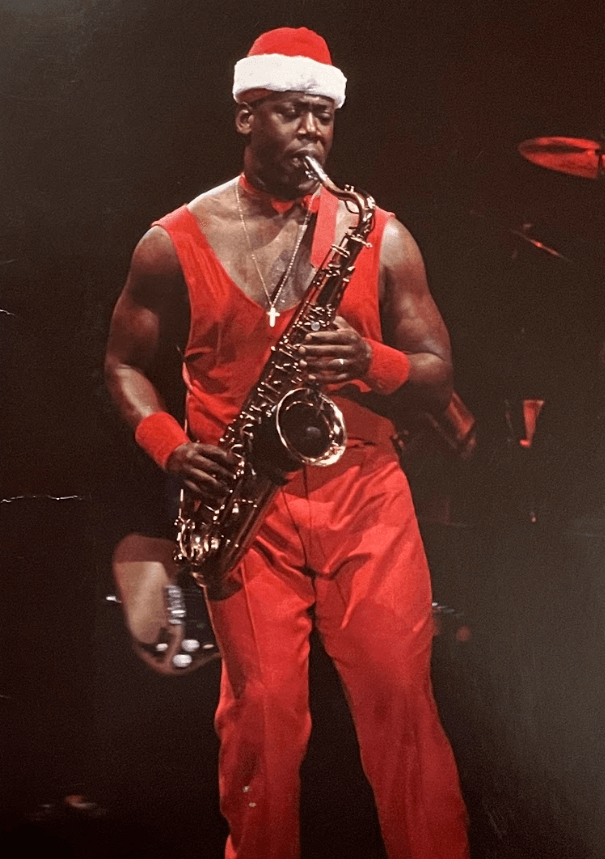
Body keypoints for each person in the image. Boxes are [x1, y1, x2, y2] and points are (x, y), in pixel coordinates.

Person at [104, 26, 469, 859]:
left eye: (322, 116)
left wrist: (367, 359)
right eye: (291, 113)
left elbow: (437, 377)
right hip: (245, 511)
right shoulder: (172, 241)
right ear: (245, 114)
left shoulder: (380, 235)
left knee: (402, 715)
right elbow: (122, 366)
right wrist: (169, 446)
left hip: (366, 501)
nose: (311, 132)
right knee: (260, 728)